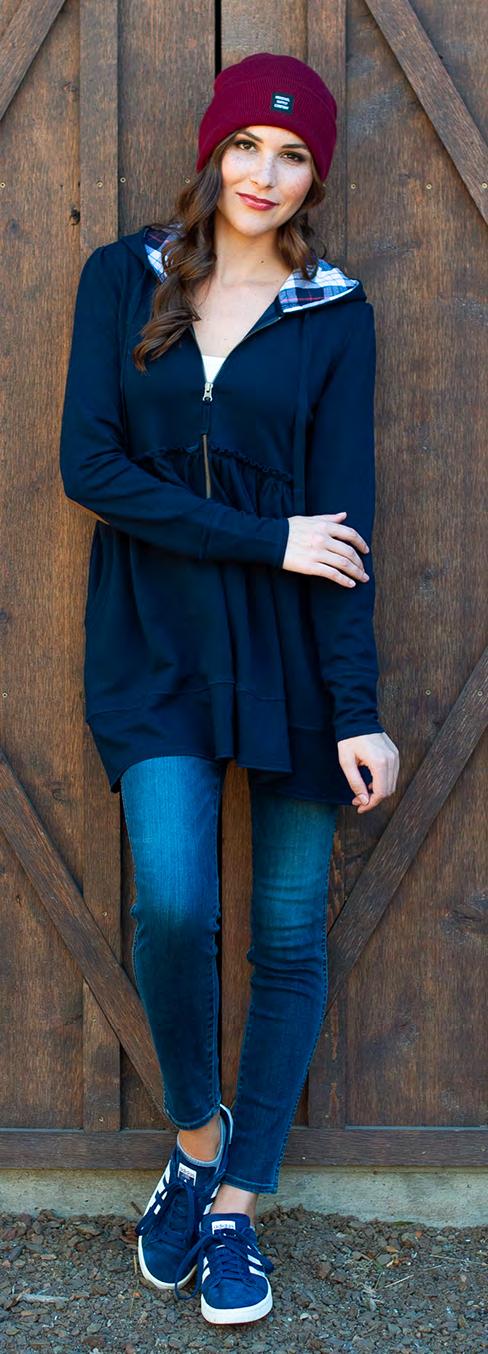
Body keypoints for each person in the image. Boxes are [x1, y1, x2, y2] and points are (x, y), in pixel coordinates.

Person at [59, 50, 399, 1327]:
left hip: (294, 653)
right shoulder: (124, 277)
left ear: (315, 175)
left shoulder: (333, 312)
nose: (264, 173)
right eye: (247, 145)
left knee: (290, 933)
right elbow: (91, 467)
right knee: (173, 900)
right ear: (212, 150)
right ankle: (195, 1143)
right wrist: (262, 537)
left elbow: (342, 529)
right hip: (153, 643)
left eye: (293, 154)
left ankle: (236, 1206)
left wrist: (358, 708)